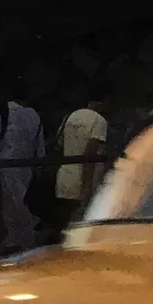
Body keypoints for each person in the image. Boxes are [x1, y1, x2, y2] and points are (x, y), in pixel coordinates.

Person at [0, 85, 45, 254]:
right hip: (27, 168)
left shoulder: (1, 110)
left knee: (7, 209)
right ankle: (27, 245)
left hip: (5, 168)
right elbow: (39, 148)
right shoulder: (34, 115)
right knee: (24, 207)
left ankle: (10, 245)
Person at [54, 92, 110, 230]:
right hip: (82, 182)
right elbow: (90, 154)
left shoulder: (70, 117)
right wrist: (87, 188)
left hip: (64, 179)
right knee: (80, 228)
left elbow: (59, 146)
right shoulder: (99, 121)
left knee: (64, 225)